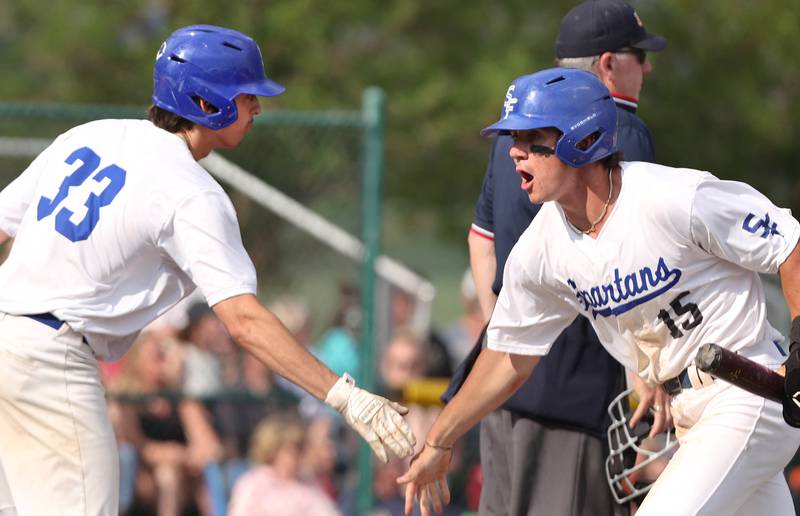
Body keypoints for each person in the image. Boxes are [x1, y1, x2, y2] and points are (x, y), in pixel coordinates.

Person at [0, 24, 415, 516]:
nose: (257, 107)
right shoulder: (191, 191)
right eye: (246, 96)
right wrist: (344, 396)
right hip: (50, 361)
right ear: (204, 104)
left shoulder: (90, 135)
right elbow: (244, 321)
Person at [399, 67, 800, 516]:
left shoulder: (672, 197)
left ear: (583, 139)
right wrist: (439, 439)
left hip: (747, 390)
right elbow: (509, 356)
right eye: (513, 140)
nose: (513, 154)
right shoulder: (541, 250)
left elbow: (789, 244)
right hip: (690, 415)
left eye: (532, 141)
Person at [446, 1, 667, 513]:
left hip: (500, 381)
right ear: (609, 63)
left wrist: (503, 329)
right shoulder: (619, 130)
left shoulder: (515, 136)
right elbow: (632, 257)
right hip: (577, 389)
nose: (648, 66)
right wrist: (647, 367)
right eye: (640, 54)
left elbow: (481, 240)